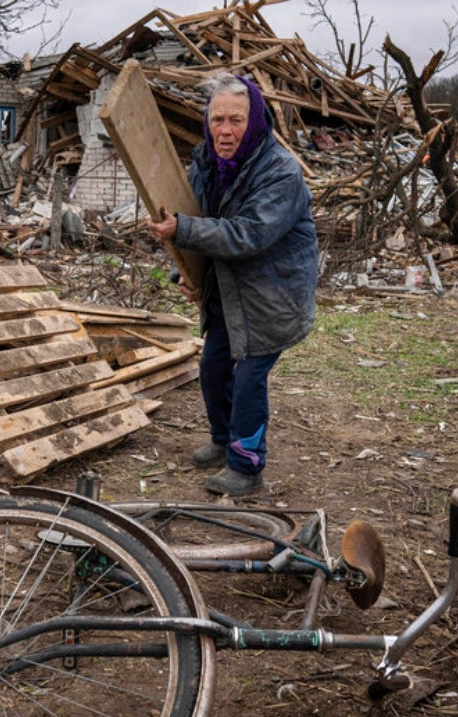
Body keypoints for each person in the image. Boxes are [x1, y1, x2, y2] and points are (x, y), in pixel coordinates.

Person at [147, 72, 318, 497]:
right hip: (230, 289)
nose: (225, 130)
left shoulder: (280, 172)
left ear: (255, 120)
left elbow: (248, 234)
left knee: (247, 380)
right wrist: (185, 274)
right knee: (213, 368)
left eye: (236, 120)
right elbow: (196, 222)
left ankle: (247, 466)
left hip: (272, 295)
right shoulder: (207, 165)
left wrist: (181, 229)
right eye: (217, 119)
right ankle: (224, 440)